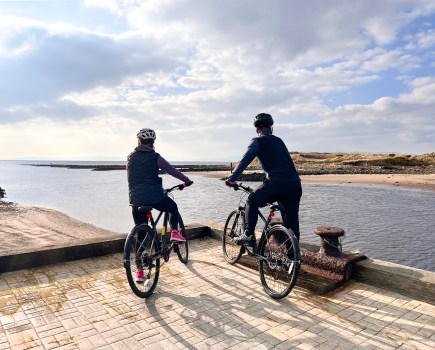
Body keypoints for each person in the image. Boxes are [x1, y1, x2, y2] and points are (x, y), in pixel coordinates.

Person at [225, 113, 302, 245]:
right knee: (292, 224)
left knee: (251, 201)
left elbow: (245, 160)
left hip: (277, 183)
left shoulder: (257, 141)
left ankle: (248, 235)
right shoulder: (279, 141)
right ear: (271, 127)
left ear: (257, 130)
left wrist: (232, 178)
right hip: (295, 184)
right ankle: (293, 260)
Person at [127, 128, 193, 281]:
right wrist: (186, 180)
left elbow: (132, 178)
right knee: (172, 207)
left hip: (136, 200)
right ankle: (175, 232)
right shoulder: (154, 156)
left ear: (139, 141)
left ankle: (139, 273)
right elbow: (171, 170)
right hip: (155, 197)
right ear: (152, 143)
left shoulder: (130, 157)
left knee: (140, 235)